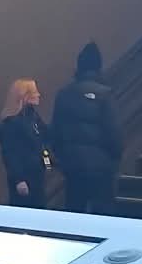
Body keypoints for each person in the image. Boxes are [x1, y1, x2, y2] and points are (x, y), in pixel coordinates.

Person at [50, 41, 122, 214]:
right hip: (100, 165)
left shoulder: (64, 94)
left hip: (72, 163)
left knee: (74, 208)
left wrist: (62, 157)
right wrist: (114, 157)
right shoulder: (105, 94)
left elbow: (55, 131)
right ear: (98, 66)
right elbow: (113, 131)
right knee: (102, 212)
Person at [0, 79, 52, 206]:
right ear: (24, 96)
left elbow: (46, 135)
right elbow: (10, 154)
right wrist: (19, 179)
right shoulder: (10, 124)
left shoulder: (32, 116)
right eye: (34, 92)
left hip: (37, 173)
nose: (38, 95)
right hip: (24, 177)